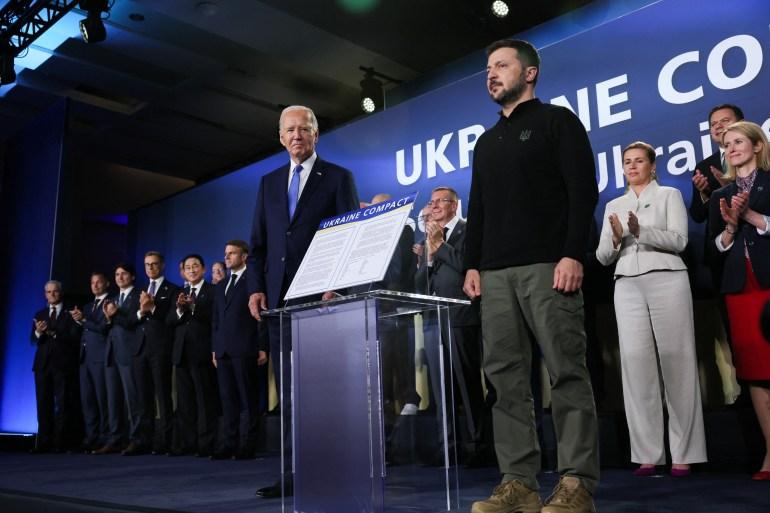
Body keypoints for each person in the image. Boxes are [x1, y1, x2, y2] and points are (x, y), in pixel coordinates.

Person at [463, 39, 599, 513]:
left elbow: (583, 192)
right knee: (505, 380)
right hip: (495, 276)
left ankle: (577, 482)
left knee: (565, 371)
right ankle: (519, 484)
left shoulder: (557, 122)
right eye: (487, 68)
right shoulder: (485, 142)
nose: (492, 74)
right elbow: (477, 209)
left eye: (501, 65)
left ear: (530, 73)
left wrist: (572, 254)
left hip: (548, 266)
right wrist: (472, 265)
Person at [247, 105, 358, 498]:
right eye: (290, 130)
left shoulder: (339, 178)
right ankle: (293, 473)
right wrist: (256, 288)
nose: (297, 135)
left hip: (323, 301)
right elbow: (258, 246)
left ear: (316, 135)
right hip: (279, 303)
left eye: (304, 129)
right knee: (291, 394)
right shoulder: (268, 183)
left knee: (325, 390)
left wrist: (339, 285)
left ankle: (332, 468)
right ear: (281, 137)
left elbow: (349, 236)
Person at [596, 141, 707, 476]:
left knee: (678, 362)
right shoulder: (614, 204)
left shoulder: (669, 195)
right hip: (626, 284)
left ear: (652, 165)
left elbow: (680, 241)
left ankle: (685, 453)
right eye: (627, 162)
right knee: (636, 367)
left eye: (639, 161)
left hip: (667, 278)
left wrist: (640, 231)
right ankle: (648, 453)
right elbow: (602, 257)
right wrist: (616, 239)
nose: (632, 166)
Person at [709, 120, 770, 480]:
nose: (730, 148)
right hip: (740, 291)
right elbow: (713, 252)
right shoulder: (720, 196)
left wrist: (749, 215)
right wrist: (731, 226)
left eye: (737, 141)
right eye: (726, 143)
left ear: (757, 145)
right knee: (756, 375)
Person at [415, 186, 487, 465]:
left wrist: (440, 247)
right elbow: (420, 283)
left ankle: (477, 446)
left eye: (439, 202)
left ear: (454, 206)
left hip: (461, 319)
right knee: (440, 388)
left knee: (467, 385)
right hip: (434, 320)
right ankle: (448, 446)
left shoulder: (468, 231)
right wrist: (429, 256)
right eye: (430, 202)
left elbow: (467, 266)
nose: (433, 207)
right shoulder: (429, 239)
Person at [690, 104, 745, 340]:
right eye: (714, 124)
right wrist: (705, 194)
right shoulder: (704, 167)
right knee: (736, 330)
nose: (718, 126)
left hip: (759, 244)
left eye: (725, 120)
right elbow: (698, 215)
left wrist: (730, 188)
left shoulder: (762, 154)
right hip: (722, 256)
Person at [212, 240, 267, 460]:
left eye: (232, 253)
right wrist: (214, 349)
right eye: (226, 253)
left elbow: (261, 316)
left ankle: (247, 445)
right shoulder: (220, 285)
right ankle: (228, 443)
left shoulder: (253, 282)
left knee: (248, 399)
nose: (227, 257)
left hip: (245, 347)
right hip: (223, 350)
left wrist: (263, 346)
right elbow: (216, 320)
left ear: (244, 256)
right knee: (228, 400)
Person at [167, 254, 219, 457]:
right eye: (187, 267)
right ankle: (188, 443)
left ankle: (206, 444)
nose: (191, 270)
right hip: (181, 354)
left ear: (203, 269)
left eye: (195, 266)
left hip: (202, 352)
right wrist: (180, 310)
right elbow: (170, 320)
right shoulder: (179, 293)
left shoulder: (212, 291)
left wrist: (194, 307)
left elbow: (214, 318)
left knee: (204, 401)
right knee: (185, 403)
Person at [135, 251, 180, 455]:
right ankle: (145, 440)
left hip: (161, 349)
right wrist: (140, 311)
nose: (150, 268)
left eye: (154, 264)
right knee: (143, 398)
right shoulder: (140, 290)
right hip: (140, 349)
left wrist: (152, 308)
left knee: (163, 397)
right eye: (147, 265)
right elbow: (131, 318)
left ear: (162, 265)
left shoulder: (172, 290)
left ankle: (166, 441)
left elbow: (171, 318)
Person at [30, 280, 81, 452]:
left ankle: (60, 444)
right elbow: (33, 340)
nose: (52, 294)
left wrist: (53, 333)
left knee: (63, 405)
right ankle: (43, 443)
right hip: (42, 366)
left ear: (61, 293)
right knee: (43, 405)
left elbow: (75, 338)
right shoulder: (40, 314)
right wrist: (38, 332)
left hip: (63, 366)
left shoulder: (71, 313)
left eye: (55, 291)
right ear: (45, 294)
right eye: (48, 292)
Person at [101, 263, 144, 455]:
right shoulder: (112, 298)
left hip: (130, 352)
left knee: (132, 399)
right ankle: (115, 438)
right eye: (117, 274)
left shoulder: (138, 296)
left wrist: (115, 314)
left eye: (124, 274)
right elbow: (106, 325)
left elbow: (133, 321)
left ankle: (136, 438)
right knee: (113, 400)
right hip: (112, 352)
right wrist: (108, 318)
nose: (120, 277)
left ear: (132, 276)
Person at [70, 272, 111, 453]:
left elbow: (103, 328)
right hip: (84, 358)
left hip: (100, 357)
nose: (95, 286)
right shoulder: (87, 306)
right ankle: (90, 437)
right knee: (88, 401)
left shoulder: (110, 303)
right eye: (92, 282)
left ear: (106, 284)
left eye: (98, 282)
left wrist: (85, 321)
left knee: (102, 400)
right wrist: (80, 321)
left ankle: (104, 437)